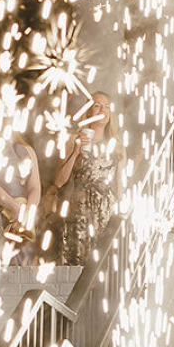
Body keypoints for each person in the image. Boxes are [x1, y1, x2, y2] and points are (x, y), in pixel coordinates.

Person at [48, 90, 120, 265]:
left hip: (107, 213)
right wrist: (75, 152)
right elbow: (59, 181)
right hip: (81, 212)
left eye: (107, 106)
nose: (103, 110)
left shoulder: (117, 144)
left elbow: (120, 185)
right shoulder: (74, 139)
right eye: (97, 106)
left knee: (104, 266)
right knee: (77, 265)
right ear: (88, 112)